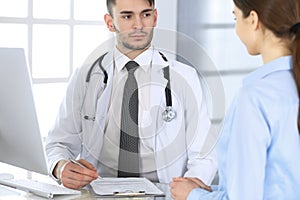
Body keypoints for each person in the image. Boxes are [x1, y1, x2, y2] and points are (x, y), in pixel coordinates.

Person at [46, 0, 217, 190]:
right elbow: (58, 144)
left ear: (155, 17)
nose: (139, 25)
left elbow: (204, 155)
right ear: (110, 22)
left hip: (163, 193)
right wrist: (61, 167)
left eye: (146, 14)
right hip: (99, 190)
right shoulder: (84, 77)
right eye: (127, 16)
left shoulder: (184, 77)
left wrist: (189, 189)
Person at [170, 0, 300, 199]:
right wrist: (211, 192)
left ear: (253, 20)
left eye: (235, 17)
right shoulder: (289, 86)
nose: (236, 27)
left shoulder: (255, 98)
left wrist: (192, 196)